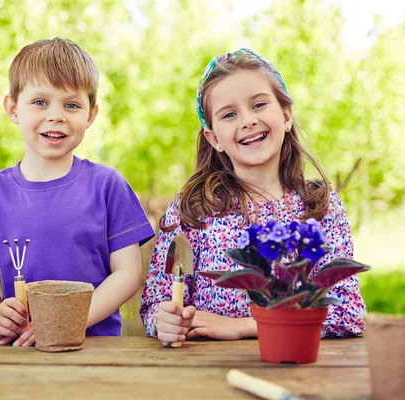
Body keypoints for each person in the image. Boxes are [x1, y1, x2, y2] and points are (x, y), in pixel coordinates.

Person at [140, 48, 366, 346]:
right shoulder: (193, 209)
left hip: (297, 367)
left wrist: (245, 325)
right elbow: (156, 301)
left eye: (258, 105)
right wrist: (164, 320)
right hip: (205, 373)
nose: (247, 120)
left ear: (286, 115)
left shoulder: (319, 207)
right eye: (229, 114)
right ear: (214, 138)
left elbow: (347, 313)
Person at [0, 38, 154, 346]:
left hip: (95, 350)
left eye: (71, 105)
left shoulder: (108, 186)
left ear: (91, 115)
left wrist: (64, 322)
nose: (56, 115)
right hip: (20, 352)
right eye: (40, 102)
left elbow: (126, 275)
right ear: (13, 107)